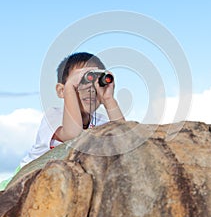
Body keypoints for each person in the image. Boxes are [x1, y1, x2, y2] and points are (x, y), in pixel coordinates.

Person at [0, 52, 125, 191]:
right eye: (83, 81)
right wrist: (70, 86)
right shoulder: (53, 116)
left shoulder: (102, 122)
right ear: (61, 91)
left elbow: (125, 138)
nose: (90, 89)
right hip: (25, 179)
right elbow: (73, 134)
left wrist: (108, 99)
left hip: (62, 181)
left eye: (96, 82)